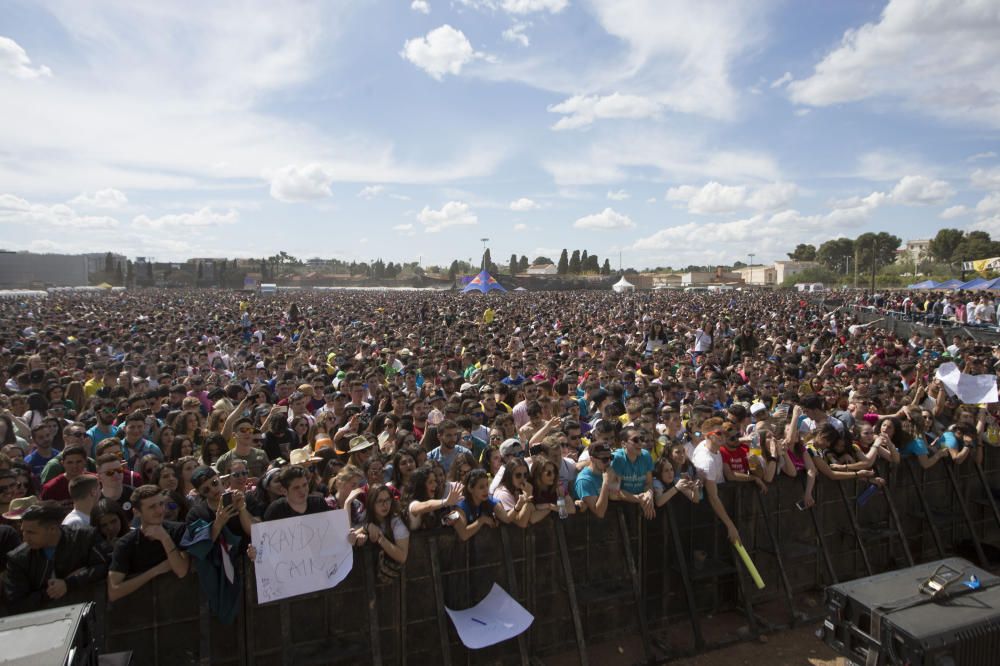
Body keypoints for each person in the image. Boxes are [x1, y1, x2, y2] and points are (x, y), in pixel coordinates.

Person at [4, 501, 108, 612]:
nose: (25, 538)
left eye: (31, 532)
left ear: (52, 529)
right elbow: (16, 604)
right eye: (23, 531)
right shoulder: (18, 559)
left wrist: (70, 583)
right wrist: (51, 592)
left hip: (89, 612)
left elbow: (106, 565)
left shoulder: (84, 538)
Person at [107, 485, 189, 601]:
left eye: (161, 504)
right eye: (152, 507)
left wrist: (165, 538)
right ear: (137, 512)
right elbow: (114, 591)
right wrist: (155, 571)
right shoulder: (125, 544)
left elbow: (181, 571)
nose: (160, 511)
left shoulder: (179, 530)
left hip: (181, 604)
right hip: (142, 611)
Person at [451, 468, 512, 541]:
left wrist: (518, 505)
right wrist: (482, 520)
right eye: (481, 487)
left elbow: (507, 518)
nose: (486, 490)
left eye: (487, 485)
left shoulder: (489, 501)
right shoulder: (461, 507)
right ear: (470, 489)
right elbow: (464, 535)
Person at [609, 427, 655, 519]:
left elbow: (648, 483)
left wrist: (648, 494)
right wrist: (639, 499)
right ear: (623, 444)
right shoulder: (617, 459)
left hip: (641, 503)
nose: (640, 443)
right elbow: (615, 492)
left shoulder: (646, 456)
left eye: (641, 439)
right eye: (635, 440)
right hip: (620, 507)